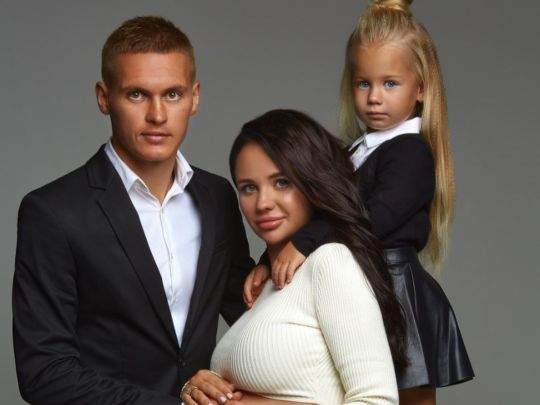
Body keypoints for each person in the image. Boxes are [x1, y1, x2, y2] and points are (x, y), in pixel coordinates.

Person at [12, 16, 254, 404]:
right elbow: (44, 373)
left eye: (172, 94)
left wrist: (305, 243)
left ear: (194, 97)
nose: (157, 115)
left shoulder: (216, 197)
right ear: (104, 97)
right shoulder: (53, 212)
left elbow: (253, 314)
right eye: (137, 94)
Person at [245, 1, 475, 404]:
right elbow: (319, 212)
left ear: (421, 88)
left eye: (390, 83)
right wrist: (270, 260)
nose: (374, 98)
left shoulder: (411, 154)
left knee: (404, 397)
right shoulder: (354, 151)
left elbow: (373, 218)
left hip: (395, 290)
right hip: (356, 283)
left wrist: (306, 242)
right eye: (363, 83)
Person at [181, 109, 405, 405]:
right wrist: (197, 390)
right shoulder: (266, 284)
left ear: (313, 182)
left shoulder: (330, 262)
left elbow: (377, 400)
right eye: (249, 188)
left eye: (282, 182)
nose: (263, 203)